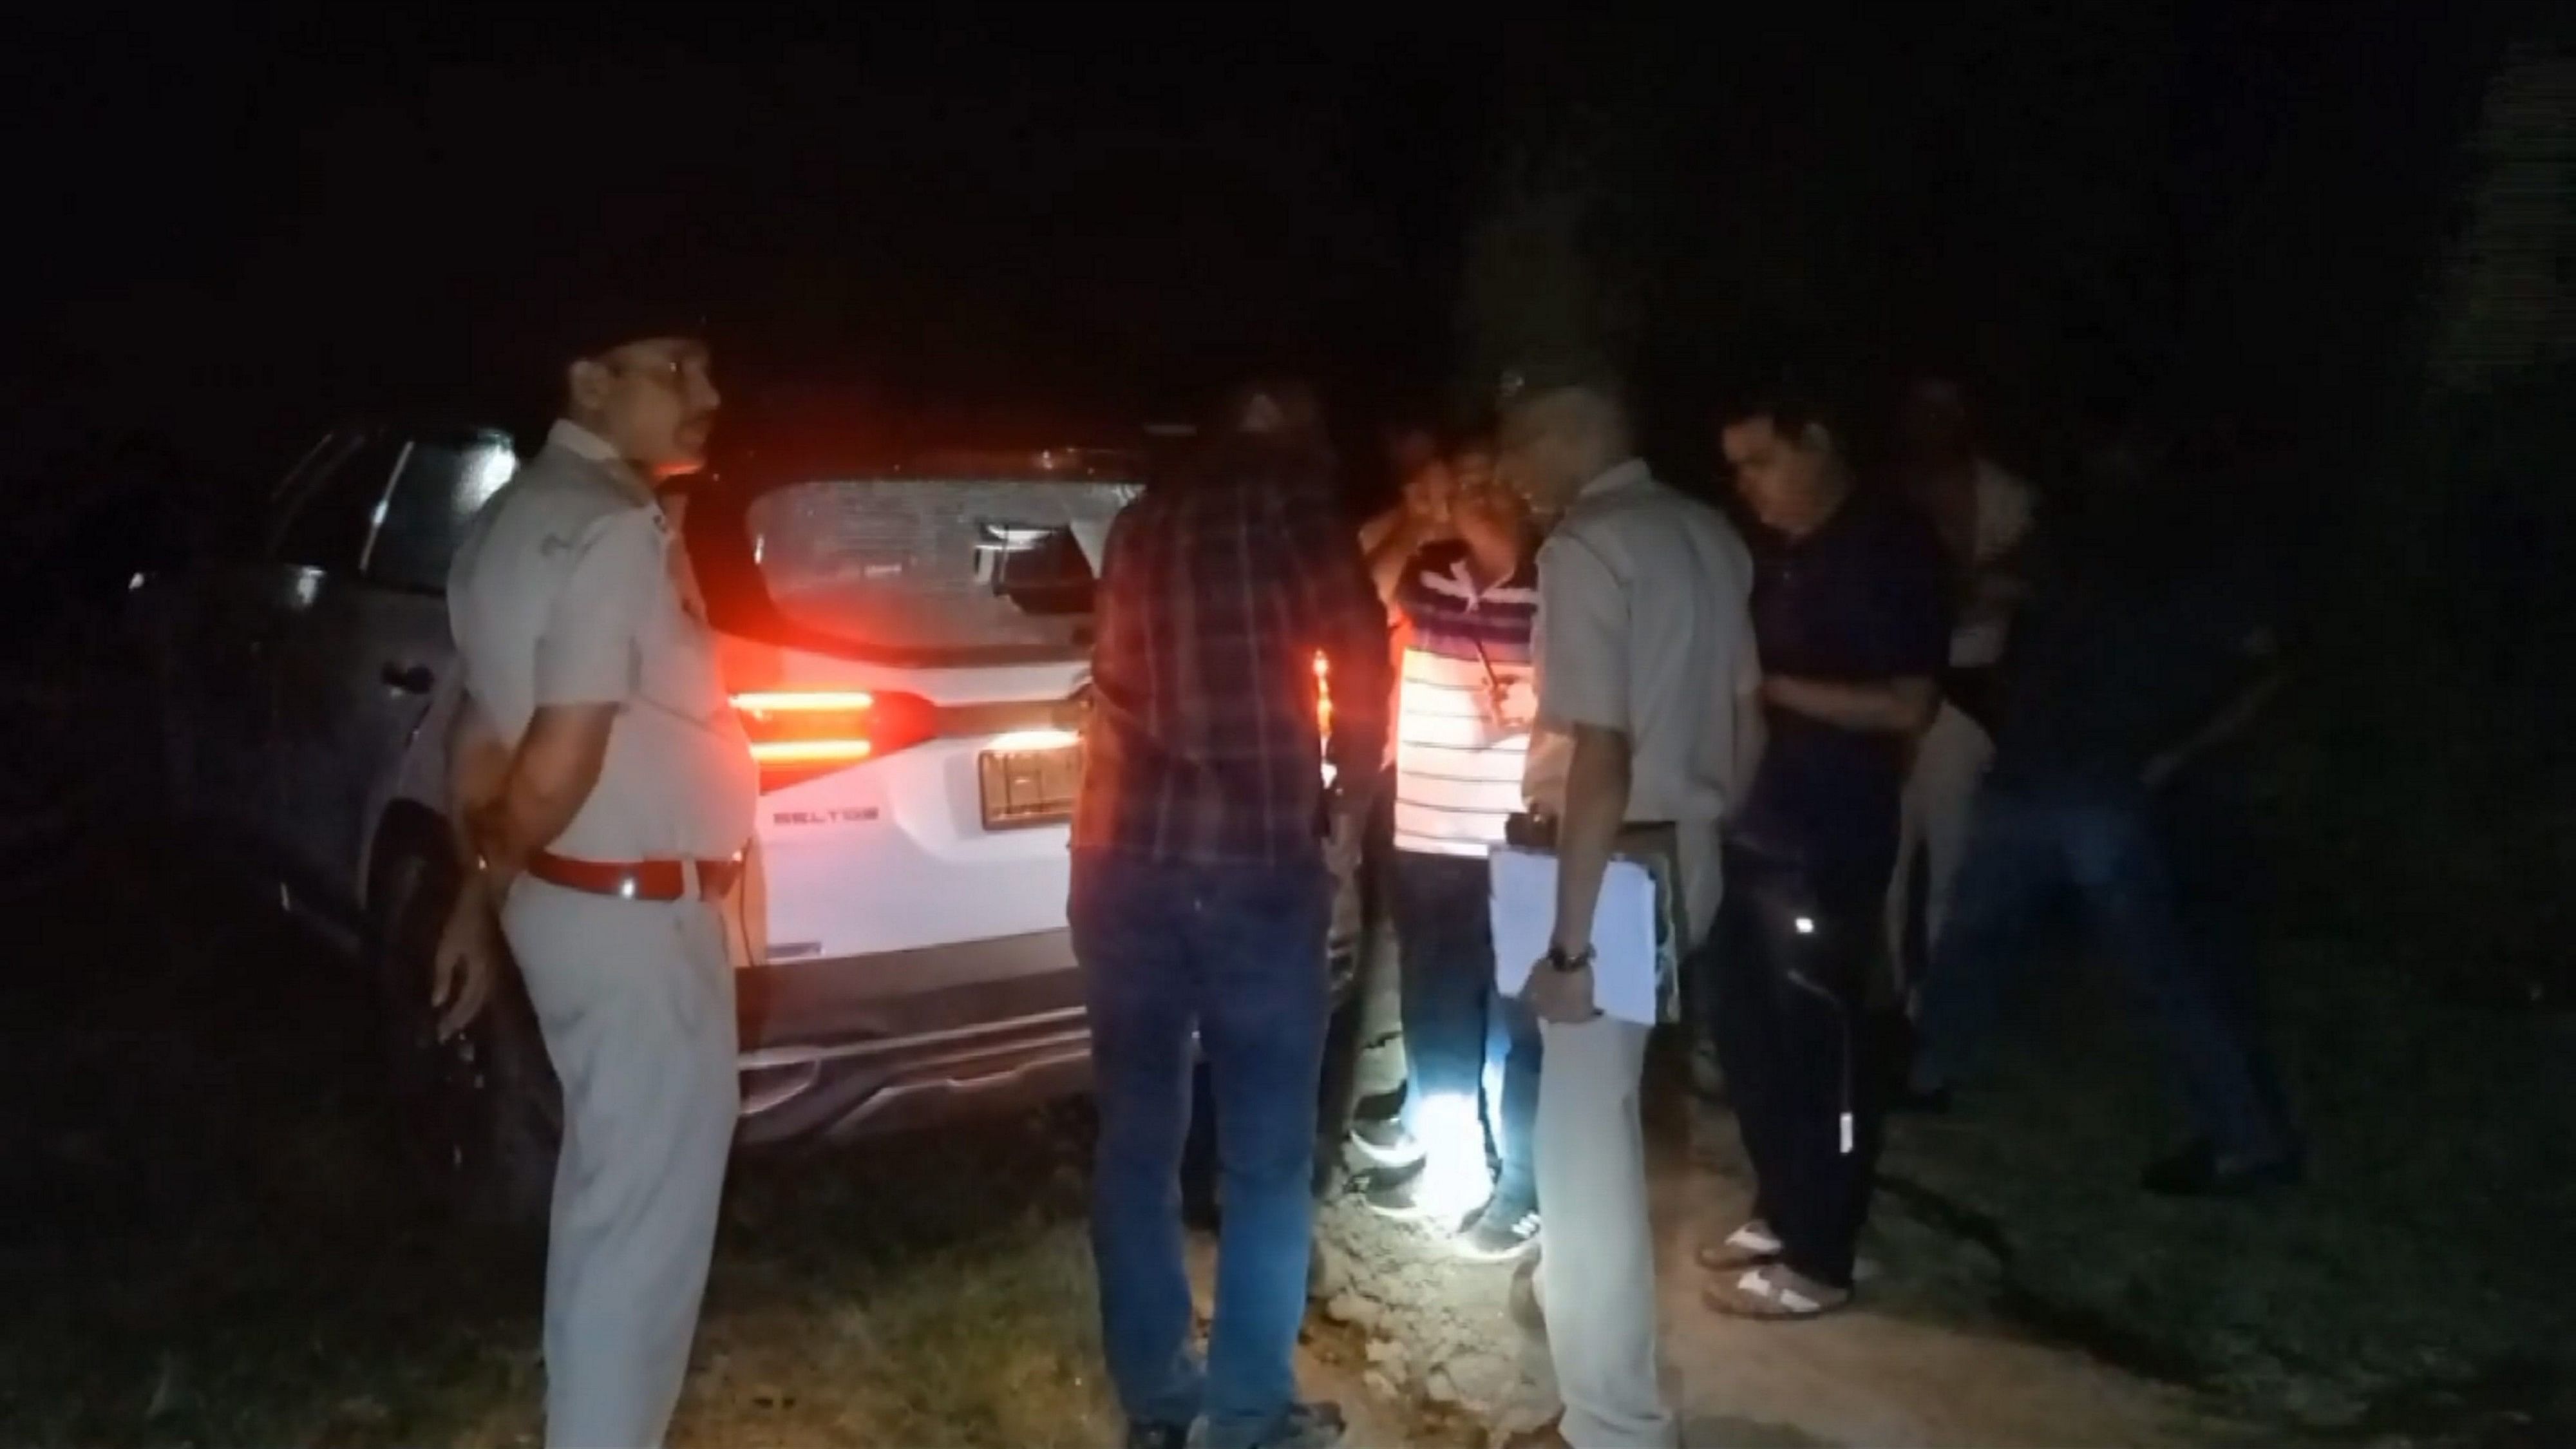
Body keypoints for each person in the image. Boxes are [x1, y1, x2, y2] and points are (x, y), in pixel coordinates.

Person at [436, 310, 750, 1448]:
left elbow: (477, 732)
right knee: (645, 1235)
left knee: (608, 1202)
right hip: (632, 920)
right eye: (674, 365)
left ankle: (584, 1421)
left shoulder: (499, 526)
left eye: (706, 362)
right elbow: (559, 750)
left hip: (564, 907)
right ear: (588, 381)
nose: (705, 387)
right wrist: (508, 858)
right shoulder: (612, 532)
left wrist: (480, 895)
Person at [1072, 379, 1391, 1449]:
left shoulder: (1138, 521)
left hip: (1120, 863)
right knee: (1264, 1155)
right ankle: (1249, 1415)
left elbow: (1114, 677)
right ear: (1280, 413)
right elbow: (1358, 658)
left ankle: (1162, 1399)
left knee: (1138, 1139)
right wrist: (1346, 811)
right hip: (1253, 865)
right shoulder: (1293, 508)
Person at [1909, 414, 2300, 1196]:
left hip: (2087, 784)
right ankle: (1925, 1073)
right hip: (2066, 776)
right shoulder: (2127, 547)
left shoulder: (2144, 552)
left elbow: (2262, 668)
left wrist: (2176, 754)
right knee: (2000, 937)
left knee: (2137, 962)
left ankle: (2245, 1142)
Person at [1502, 361, 1759, 1449]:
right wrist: (1707, 826)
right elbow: (1748, 716)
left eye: (1522, 446)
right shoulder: (1712, 533)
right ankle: (1584, 1334)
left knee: (1582, 1145)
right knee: (1606, 1111)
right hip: (1688, 843)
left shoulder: (1585, 548)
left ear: (1572, 437)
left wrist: (1569, 940)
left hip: (1607, 861)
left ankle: (1612, 1421)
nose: (1513, 471)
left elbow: (1598, 747)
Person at [1700, 383, 1947, 1321]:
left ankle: (1823, 1254)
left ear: (1819, 438)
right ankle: (1780, 1205)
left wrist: (1768, 689)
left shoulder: (1891, 544)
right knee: (1748, 1036)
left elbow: (1906, 705)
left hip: (1829, 835)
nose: (1751, 485)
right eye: (1737, 470)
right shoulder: (1761, 546)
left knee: (1827, 1047)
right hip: (1743, 826)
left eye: (1762, 461)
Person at [1349, 433, 1548, 1262]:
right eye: (1460, 479)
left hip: (1522, 837)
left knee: (1520, 1023)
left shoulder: (1562, 585)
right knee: (1434, 1012)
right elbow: (1356, 585)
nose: (1468, 492)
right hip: (1427, 834)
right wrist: (1415, 510)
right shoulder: (1430, 573)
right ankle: (1452, 1166)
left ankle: (1524, 1189)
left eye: (1485, 480)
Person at [1888, 377, 2036, 1004]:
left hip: (1965, 697)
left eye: (1942, 415)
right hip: (1889, 698)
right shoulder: (1886, 497)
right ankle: (1892, 1001)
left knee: (1950, 862)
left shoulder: (2007, 497)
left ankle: (1939, 1010)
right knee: (1887, 864)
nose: (1930, 428)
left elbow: (2017, 587)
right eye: (1920, 414)